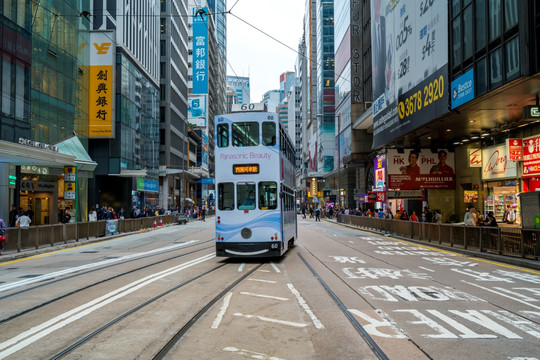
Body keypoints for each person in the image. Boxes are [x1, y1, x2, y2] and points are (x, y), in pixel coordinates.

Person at [372, 0, 386, 97]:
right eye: (375, 2)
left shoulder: (385, 21)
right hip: (377, 75)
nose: (377, 4)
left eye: (379, 2)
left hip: (386, 67)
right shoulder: (371, 28)